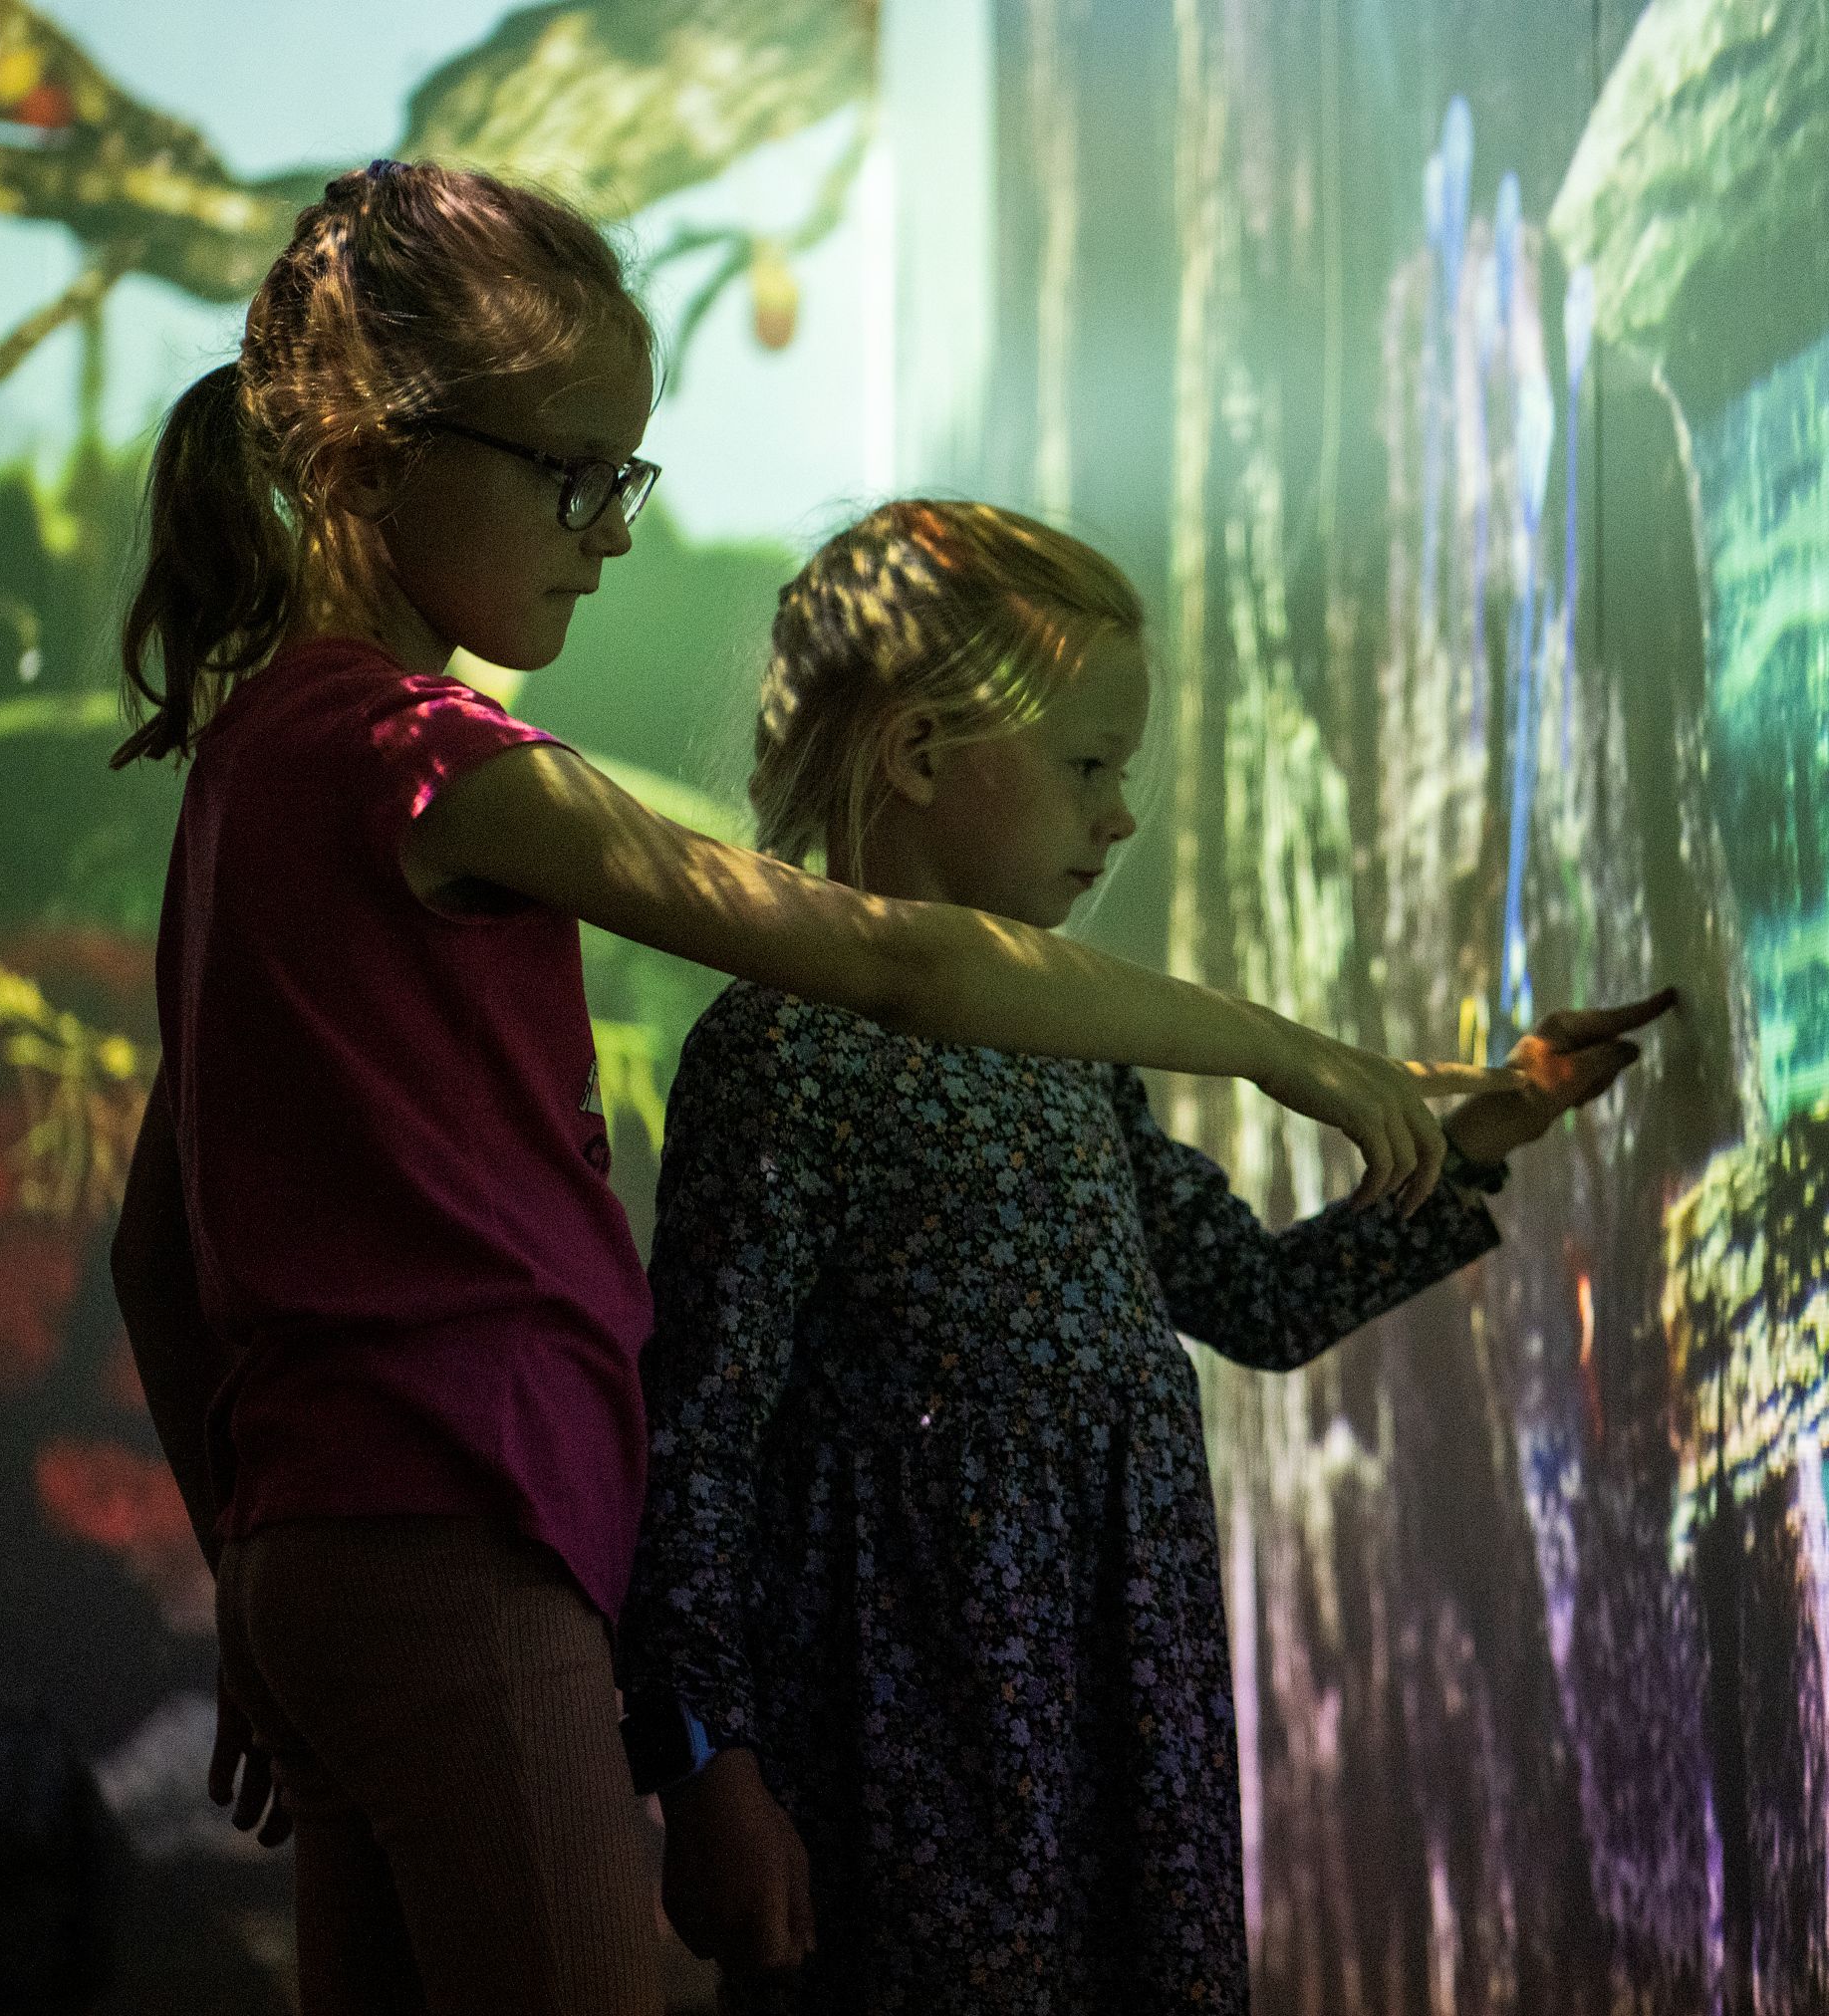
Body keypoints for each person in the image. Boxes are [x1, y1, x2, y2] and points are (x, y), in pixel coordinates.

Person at [105, 160, 1484, 2016]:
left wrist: (252, 1550)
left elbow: (150, 1248)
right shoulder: (434, 761)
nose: (605, 529)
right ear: (371, 448)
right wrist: (1292, 1049)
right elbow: (900, 958)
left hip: (328, 1560)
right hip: (468, 1535)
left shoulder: (247, 768)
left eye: (629, 477)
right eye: (572, 470)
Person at [616, 499, 1673, 2012]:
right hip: (910, 1730)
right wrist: (707, 1765)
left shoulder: (1071, 1051)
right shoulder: (784, 1050)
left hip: (1127, 1723)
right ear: (919, 755)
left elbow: (1253, 1297)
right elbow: (699, 1438)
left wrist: (1488, 1127)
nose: (1120, 818)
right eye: (1088, 767)